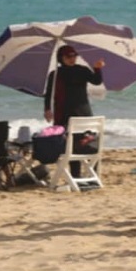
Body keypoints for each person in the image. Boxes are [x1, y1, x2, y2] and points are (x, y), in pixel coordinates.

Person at [44, 45, 105, 180]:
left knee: (88, 142)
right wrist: (47, 109)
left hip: (83, 111)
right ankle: (75, 175)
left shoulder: (82, 70)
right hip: (64, 112)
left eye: (74, 56)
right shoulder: (55, 74)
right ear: (61, 58)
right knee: (71, 146)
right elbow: (49, 93)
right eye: (68, 57)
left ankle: (92, 175)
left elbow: (96, 81)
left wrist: (98, 68)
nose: (72, 59)